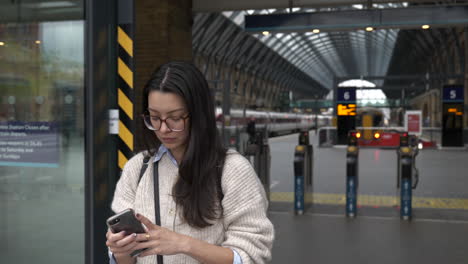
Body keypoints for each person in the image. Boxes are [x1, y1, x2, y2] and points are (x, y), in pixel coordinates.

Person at [106, 61, 274, 264]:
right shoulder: (137, 169)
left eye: (175, 118)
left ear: (198, 115)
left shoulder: (232, 170)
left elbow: (252, 257)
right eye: (154, 117)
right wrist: (121, 252)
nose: (163, 129)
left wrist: (183, 244)